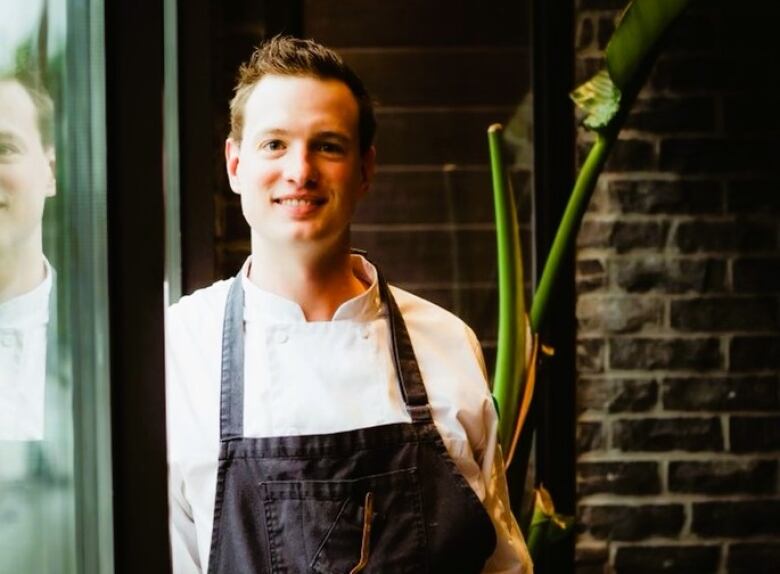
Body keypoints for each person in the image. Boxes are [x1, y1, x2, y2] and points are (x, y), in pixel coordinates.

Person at [166, 36, 532, 573]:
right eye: (275, 144)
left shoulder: (448, 343)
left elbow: (504, 565)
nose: (300, 170)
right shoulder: (178, 348)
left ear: (365, 170)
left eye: (328, 146)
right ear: (235, 164)